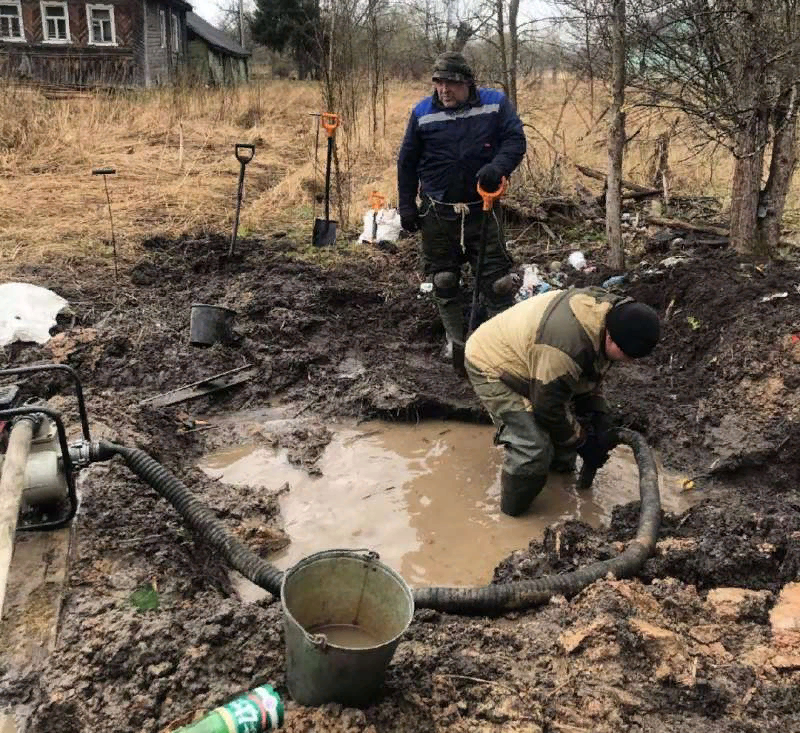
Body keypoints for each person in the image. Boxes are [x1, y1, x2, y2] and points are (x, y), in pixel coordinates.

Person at [464, 286, 661, 516]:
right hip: (492, 362)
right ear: (610, 337)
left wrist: (599, 414)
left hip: (538, 360)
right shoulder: (565, 348)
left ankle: (558, 478)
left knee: (565, 442)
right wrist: (584, 443)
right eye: (626, 355)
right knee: (533, 448)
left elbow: (589, 372)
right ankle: (512, 514)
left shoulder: (613, 315)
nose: (628, 361)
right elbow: (548, 408)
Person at [397, 51, 526, 374]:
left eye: (451, 83)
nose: (444, 90)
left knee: (497, 282)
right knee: (443, 277)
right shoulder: (422, 113)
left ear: (468, 82)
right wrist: (406, 204)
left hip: (483, 207)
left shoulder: (495, 104)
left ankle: (502, 345)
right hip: (438, 211)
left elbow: (515, 139)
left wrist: (498, 167)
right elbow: (407, 162)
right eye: (439, 83)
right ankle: (455, 341)